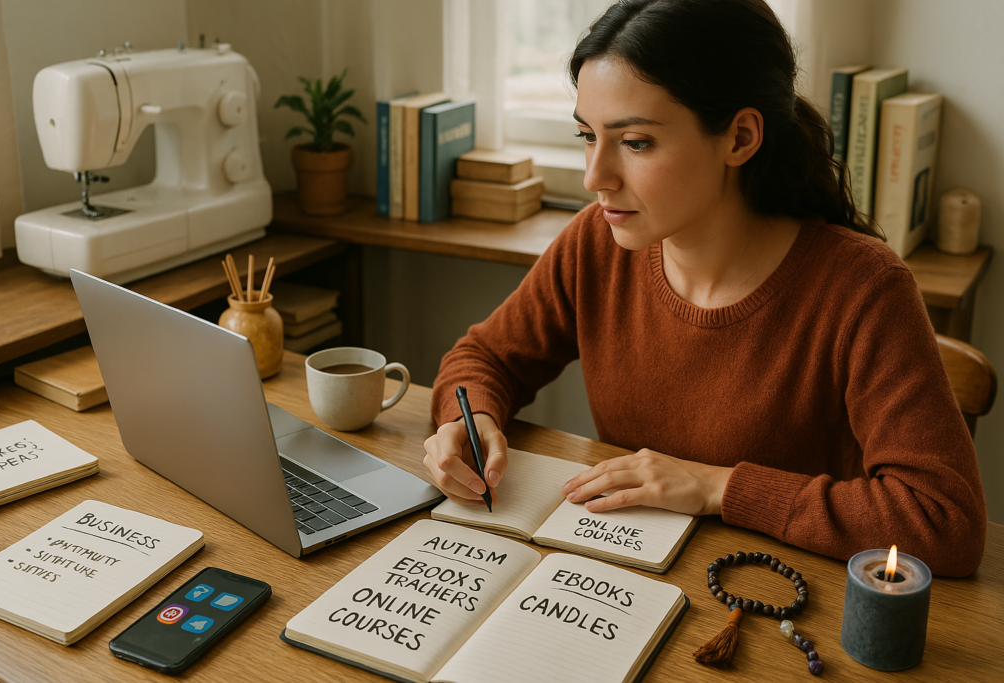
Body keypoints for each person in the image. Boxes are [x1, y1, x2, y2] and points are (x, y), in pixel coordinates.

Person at [422, 0, 986, 577]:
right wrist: (468, 421)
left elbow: (944, 519)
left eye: (635, 142)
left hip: (775, 592)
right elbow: (485, 357)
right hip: (625, 569)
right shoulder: (596, 242)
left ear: (740, 137)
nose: (595, 177)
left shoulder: (865, 288)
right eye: (587, 135)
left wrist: (717, 486)